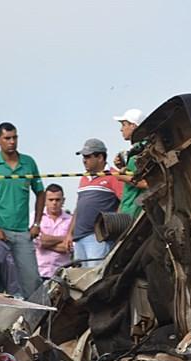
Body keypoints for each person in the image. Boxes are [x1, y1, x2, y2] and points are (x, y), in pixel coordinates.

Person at [0, 122, 45, 298]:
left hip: (23, 233)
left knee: (32, 281)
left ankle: (38, 321)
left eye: (15, 137)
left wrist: (37, 223)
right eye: (7, 138)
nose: (12, 142)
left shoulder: (29, 162)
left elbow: (40, 193)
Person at [65, 138, 124, 267]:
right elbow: (78, 208)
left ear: (100, 157)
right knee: (80, 279)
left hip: (98, 237)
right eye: (83, 157)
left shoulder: (114, 175)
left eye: (88, 156)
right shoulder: (84, 178)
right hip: (79, 237)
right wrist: (69, 234)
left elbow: (124, 201)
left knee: (95, 278)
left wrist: (111, 227)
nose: (84, 160)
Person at [112, 108, 148, 219]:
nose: (121, 129)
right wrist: (123, 168)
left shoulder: (144, 150)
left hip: (136, 213)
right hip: (128, 211)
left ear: (133, 126)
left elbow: (146, 183)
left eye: (123, 125)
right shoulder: (138, 149)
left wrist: (121, 176)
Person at [35, 184, 72, 278]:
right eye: (51, 200)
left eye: (58, 199)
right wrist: (64, 238)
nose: (54, 203)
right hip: (39, 272)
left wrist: (46, 243)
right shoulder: (35, 218)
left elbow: (68, 248)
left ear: (63, 201)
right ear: (44, 201)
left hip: (62, 275)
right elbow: (39, 241)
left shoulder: (71, 221)